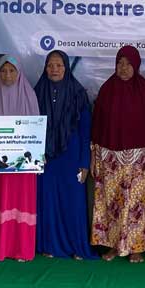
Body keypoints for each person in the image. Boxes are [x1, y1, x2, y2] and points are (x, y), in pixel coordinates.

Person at [91, 45, 145, 263]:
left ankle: (137, 247)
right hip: (109, 156)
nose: (123, 68)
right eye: (120, 63)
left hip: (140, 158)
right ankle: (114, 245)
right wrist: (94, 155)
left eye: (128, 64)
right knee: (112, 201)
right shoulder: (107, 89)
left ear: (136, 65)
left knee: (137, 203)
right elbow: (97, 125)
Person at [34, 50, 96, 259]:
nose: (54, 69)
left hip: (72, 156)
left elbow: (86, 130)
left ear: (66, 68)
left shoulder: (78, 93)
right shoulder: (37, 92)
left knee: (73, 202)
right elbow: (30, 127)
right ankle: (49, 245)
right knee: (48, 200)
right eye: (50, 65)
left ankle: (76, 247)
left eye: (59, 65)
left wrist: (84, 162)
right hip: (45, 156)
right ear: (45, 68)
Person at [0, 55, 39, 261]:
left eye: (12, 71)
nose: (7, 75)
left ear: (19, 73)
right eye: (3, 71)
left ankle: (21, 249)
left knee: (20, 201)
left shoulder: (29, 95)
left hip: (23, 163)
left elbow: (35, 131)